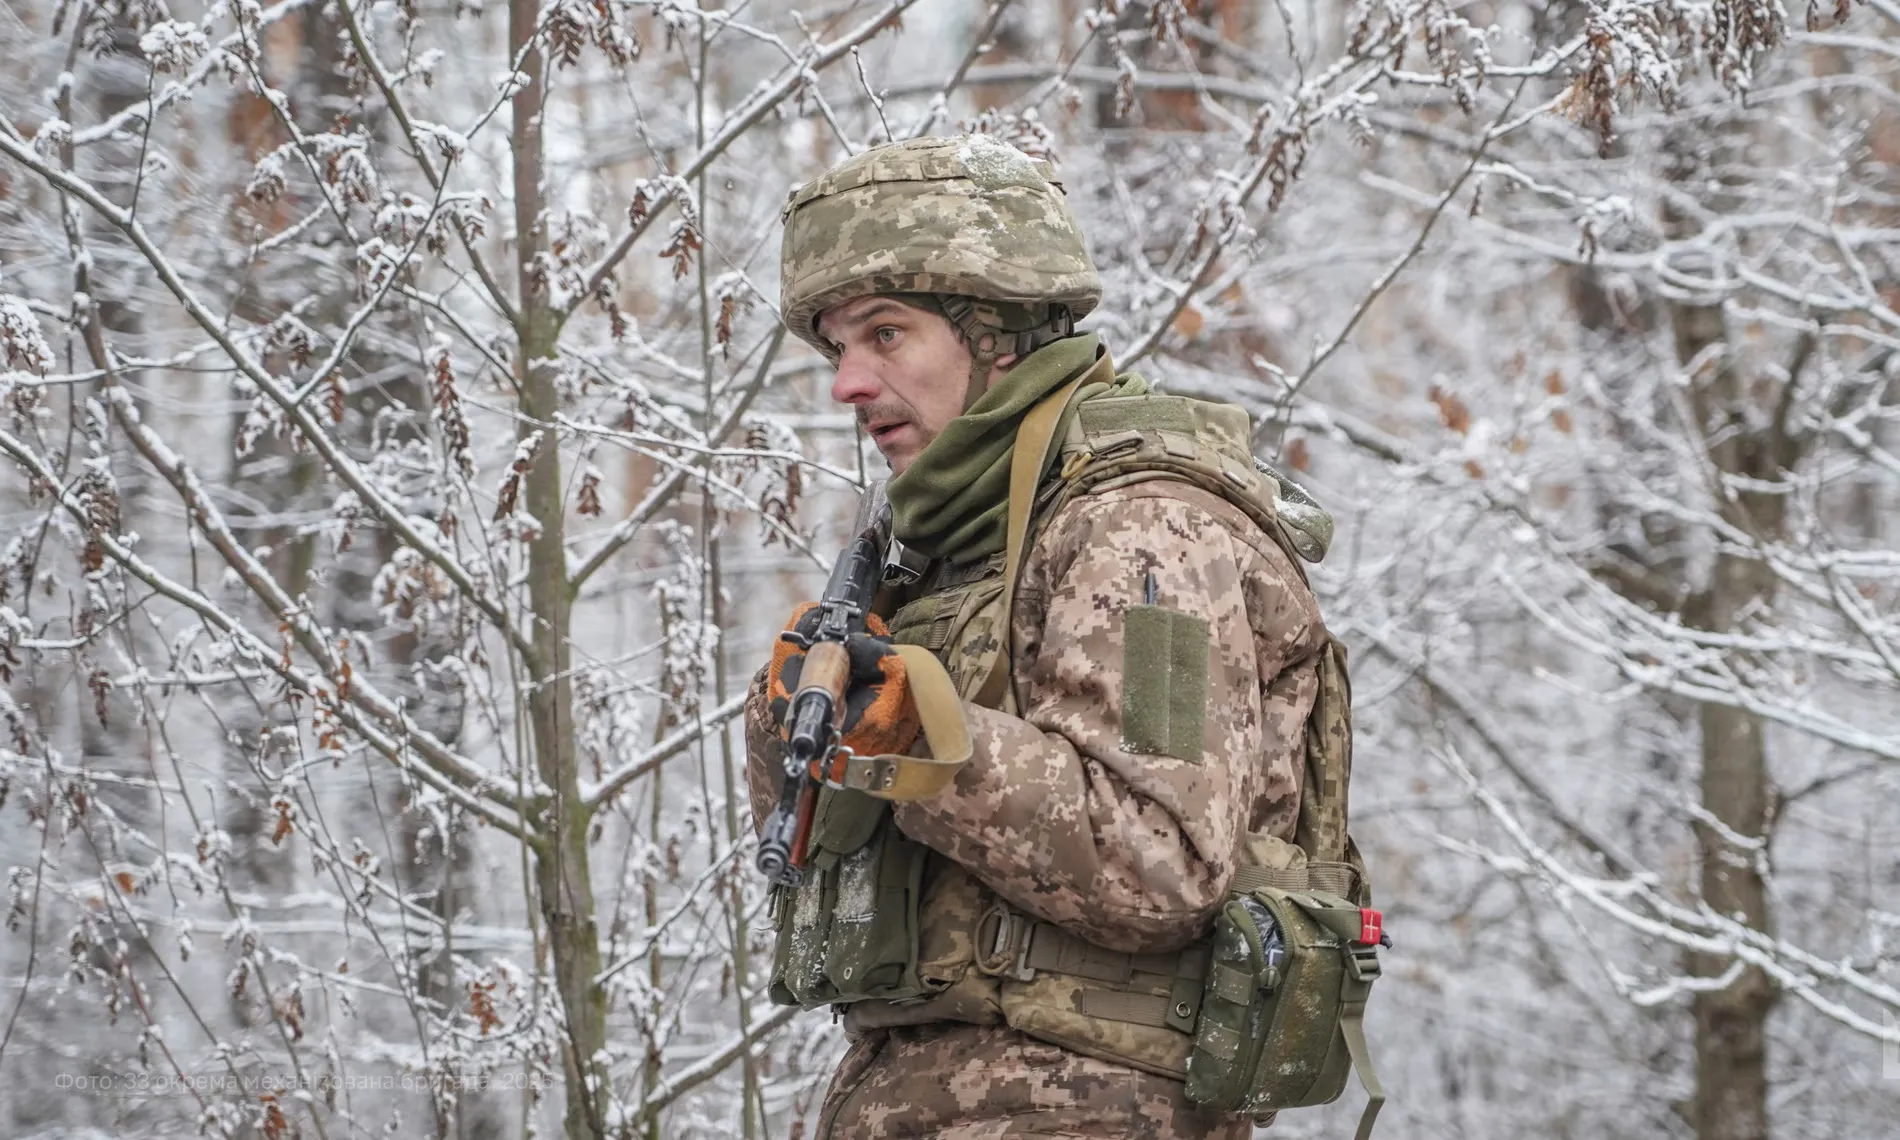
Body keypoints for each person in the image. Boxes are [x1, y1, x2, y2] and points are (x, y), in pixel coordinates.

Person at [745, 134, 1366, 1140]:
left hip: (1084, 1108)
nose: (845, 384)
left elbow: (1158, 860)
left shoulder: (1139, 522)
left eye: (884, 334)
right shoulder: (946, 548)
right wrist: (790, 728)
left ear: (994, 332)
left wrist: (921, 742)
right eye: (835, 345)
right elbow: (816, 860)